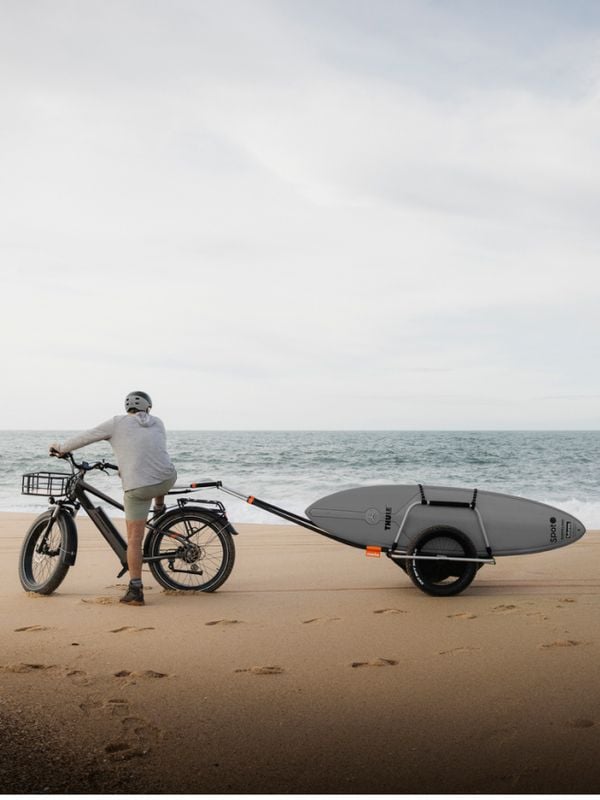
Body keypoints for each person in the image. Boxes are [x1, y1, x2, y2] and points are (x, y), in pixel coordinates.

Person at [50, 391, 177, 606]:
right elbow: (151, 451)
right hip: (167, 479)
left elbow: (88, 436)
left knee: (134, 540)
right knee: (158, 472)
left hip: (139, 488)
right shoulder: (158, 422)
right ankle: (159, 507)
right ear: (148, 407)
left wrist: (61, 448)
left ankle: (135, 590)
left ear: (127, 408)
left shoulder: (117, 423)